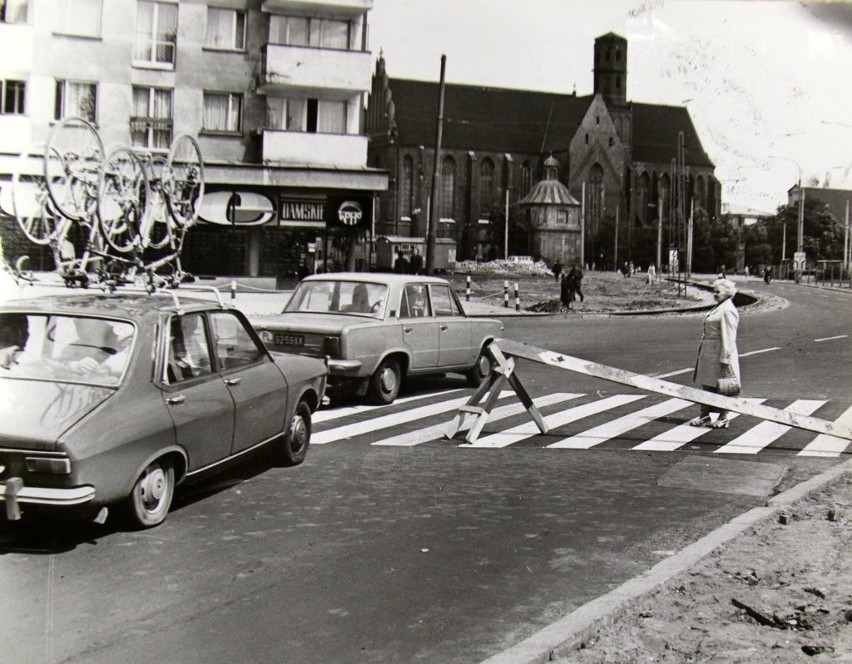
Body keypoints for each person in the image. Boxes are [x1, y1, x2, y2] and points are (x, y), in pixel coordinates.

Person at [689, 278, 740, 428]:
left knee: (724, 385)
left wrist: (725, 357)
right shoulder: (720, 307)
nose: (715, 294)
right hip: (709, 352)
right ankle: (704, 415)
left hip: (719, 352)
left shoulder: (728, 310)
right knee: (707, 383)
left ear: (727, 293)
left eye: (718, 292)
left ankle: (724, 417)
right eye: (714, 291)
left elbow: (729, 336)